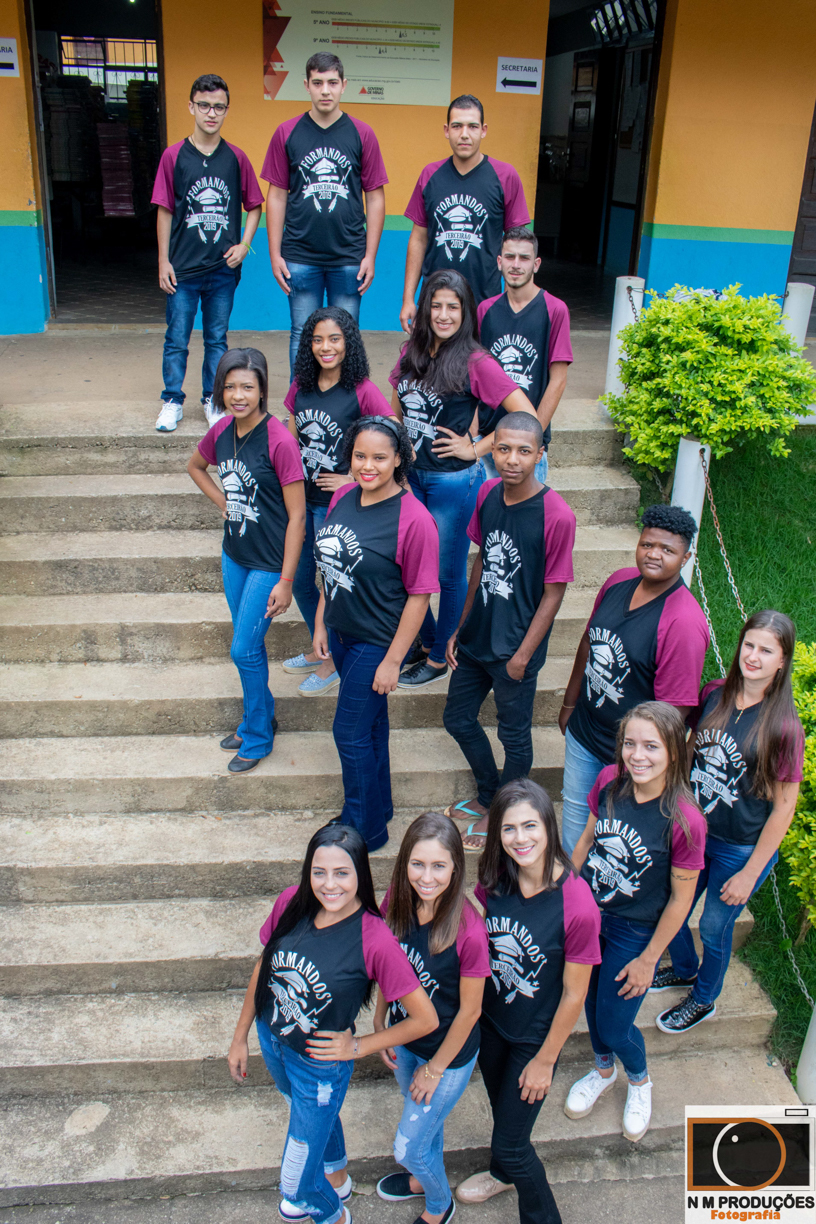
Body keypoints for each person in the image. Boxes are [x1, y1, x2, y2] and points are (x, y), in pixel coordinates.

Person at [228, 823, 438, 1224]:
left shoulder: (374, 939)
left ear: (360, 874)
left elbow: (425, 1018)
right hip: (273, 1041)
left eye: (342, 873)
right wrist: (240, 1036)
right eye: (319, 872)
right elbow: (265, 966)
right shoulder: (291, 902)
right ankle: (338, 1177)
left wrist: (359, 1046)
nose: (330, 885)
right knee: (315, 1123)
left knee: (295, 1186)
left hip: (319, 1066)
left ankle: (333, 1215)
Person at [455, 779, 601, 1224]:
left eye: (530, 826)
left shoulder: (577, 905)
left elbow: (576, 993)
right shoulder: (494, 879)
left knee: (514, 1145)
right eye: (509, 829)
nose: (521, 839)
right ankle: (501, 1174)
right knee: (505, 1119)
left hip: (533, 1041)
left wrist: (545, 1060)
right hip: (492, 1025)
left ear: (549, 826)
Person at [652, 610, 805, 1034]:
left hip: (739, 848)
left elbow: (783, 808)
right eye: (749, 645)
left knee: (716, 926)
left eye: (766, 650)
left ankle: (704, 998)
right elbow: (689, 751)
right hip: (695, 832)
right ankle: (683, 968)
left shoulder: (784, 728)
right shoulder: (714, 693)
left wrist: (751, 872)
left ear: (782, 661)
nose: (752, 656)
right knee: (671, 907)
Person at [389, 269, 538, 691]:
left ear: (465, 311)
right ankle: (426, 637)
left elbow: (521, 411)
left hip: (451, 484)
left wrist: (476, 448)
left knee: (447, 574)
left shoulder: (476, 361)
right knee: (403, 565)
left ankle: (439, 656)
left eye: (452, 306)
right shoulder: (411, 351)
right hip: (410, 477)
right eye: (435, 305)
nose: (443, 314)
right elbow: (398, 406)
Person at [565, 702, 706, 1142]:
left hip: (635, 931)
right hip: (591, 917)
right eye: (630, 744)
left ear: (674, 752)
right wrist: (566, 904)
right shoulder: (609, 781)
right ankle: (603, 1071)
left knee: (613, 1023)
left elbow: (682, 900)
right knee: (588, 1005)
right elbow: (586, 841)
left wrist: (649, 959)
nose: (637, 755)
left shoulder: (686, 819)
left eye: (651, 746)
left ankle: (639, 1081)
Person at [442, 413, 576, 849]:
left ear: (540, 454)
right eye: (503, 449)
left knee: (513, 734)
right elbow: (480, 561)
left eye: (523, 451)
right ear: (491, 449)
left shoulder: (556, 515)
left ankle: (508, 811)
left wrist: (522, 656)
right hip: (478, 637)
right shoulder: (486, 493)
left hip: (516, 647)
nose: (512, 460)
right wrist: (460, 627)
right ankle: (488, 795)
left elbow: (554, 594)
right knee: (457, 718)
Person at [311, 418, 439, 850]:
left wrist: (391, 661)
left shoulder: (414, 520)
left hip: (378, 641)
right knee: (370, 728)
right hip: (344, 634)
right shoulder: (344, 495)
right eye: (360, 456)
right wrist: (321, 621)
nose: (367, 466)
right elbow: (332, 564)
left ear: (399, 458)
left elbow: (420, 598)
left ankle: (361, 829)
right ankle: (377, 811)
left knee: (348, 733)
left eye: (380, 458)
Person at [558, 504, 710, 855]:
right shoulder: (617, 581)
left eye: (667, 550)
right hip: (585, 735)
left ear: (686, 558)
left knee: (610, 843)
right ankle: (573, 901)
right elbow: (589, 641)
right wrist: (569, 702)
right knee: (574, 834)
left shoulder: (683, 623)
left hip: (629, 757)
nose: (654, 555)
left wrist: (639, 763)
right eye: (647, 545)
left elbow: (674, 712)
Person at [187, 348, 305, 773]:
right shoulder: (220, 431)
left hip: (269, 562)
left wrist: (287, 579)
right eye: (230, 386)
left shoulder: (279, 440)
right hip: (234, 553)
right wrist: (223, 501)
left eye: (247, 387)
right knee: (246, 646)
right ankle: (260, 715)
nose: (238, 395)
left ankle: (257, 735)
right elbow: (196, 466)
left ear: (262, 390)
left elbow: (298, 516)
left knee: (244, 649)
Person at [374, 812, 490, 1224]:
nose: (427, 877)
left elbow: (472, 1010)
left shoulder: (469, 931)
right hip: (406, 1039)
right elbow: (389, 966)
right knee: (426, 1127)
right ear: (404, 862)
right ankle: (423, 1179)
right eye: (418, 864)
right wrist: (381, 1020)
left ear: (456, 867)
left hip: (447, 1056)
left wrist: (435, 1069)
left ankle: (439, 1206)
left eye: (439, 866)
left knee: (407, 1148)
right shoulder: (397, 901)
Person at [281, 308, 395, 696]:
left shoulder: (361, 389)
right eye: (317, 339)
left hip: (339, 505)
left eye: (334, 339)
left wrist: (352, 477)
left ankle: (331, 661)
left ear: (348, 342)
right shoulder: (301, 384)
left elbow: (391, 433)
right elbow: (292, 429)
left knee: (333, 579)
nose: (325, 347)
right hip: (303, 498)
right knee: (298, 579)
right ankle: (321, 644)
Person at [261, 52, 388, 375]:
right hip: (300, 256)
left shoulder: (364, 134)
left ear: (344, 85)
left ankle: (344, 408)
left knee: (345, 336)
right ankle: (299, 409)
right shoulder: (286, 132)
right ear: (306, 85)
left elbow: (375, 198)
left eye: (332, 82)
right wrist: (274, 253)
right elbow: (276, 196)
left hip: (349, 257)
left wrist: (370, 255)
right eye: (318, 83)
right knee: (303, 336)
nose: (325, 90)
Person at [152, 74, 264, 433]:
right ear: (191, 107)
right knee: (177, 337)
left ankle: (212, 401)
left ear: (226, 110)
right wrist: (163, 260)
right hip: (182, 269)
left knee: (217, 337)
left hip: (221, 270)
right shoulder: (173, 156)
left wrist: (244, 245)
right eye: (204, 105)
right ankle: (172, 400)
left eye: (218, 107)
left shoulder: (236, 158)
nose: (211, 113)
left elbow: (255, 205)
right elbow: (165, 210)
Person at [401, 94, 530, 329]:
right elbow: (418, 239)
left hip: (484, 302)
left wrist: (519, 301)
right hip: (435, 303)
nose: (464, 134)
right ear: (446, 130)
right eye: (457, 126)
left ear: (483, 130)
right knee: (431, 364)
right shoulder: (430, 175)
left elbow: (518, 248)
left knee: (479, 365)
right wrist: (408, 299)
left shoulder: (505, 176)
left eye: (472, 126)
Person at [478, 228, 573, 484]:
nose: (516, 265)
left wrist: (534, 436)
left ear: (536, 264)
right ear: (499, 262)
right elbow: (473, 378)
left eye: (524, 258)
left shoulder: (555, 310)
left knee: (526, 518)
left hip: (528, 444)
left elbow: (558, 380)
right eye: (509, 257)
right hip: (488, 438)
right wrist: (473, 432)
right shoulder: (485, 310)